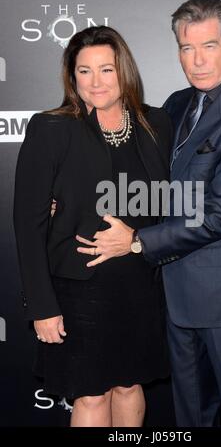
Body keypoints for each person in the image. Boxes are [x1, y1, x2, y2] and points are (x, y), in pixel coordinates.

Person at [81, 0, 221, 427]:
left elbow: (219, 214)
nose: (197, 60)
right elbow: (151, 184)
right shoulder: (176, 104)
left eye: (209, 46)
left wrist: (135, 241)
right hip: (172, 294)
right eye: (186, 48)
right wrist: (72, 196)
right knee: (190, 417)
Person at [13, 25, 172, 427]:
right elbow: (27, 225)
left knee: (130, 388)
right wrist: (42, 307)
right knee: (91, 396)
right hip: (77, 291)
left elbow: (172, 202)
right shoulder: (51, 128)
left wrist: (136, 239)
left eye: (106, 69)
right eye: (84, 71)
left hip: (138, 286)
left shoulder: (157, 124)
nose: (95, 81)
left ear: (124, 71)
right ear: (72, 76)